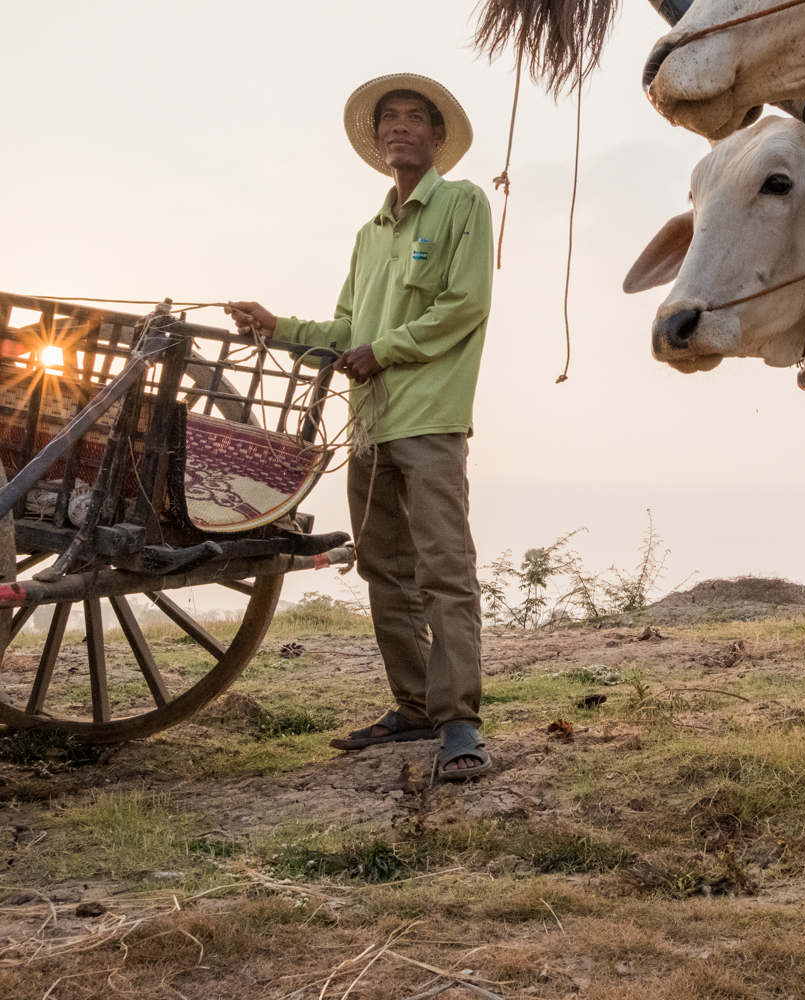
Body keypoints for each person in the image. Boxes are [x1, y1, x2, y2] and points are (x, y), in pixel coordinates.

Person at [227, 73, 493, 779]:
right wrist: (276, 326)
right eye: (389, 120)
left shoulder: (463, 204)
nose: (400, 127)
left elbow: (464, 305)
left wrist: (387, 350)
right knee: (384, 568)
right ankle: (412, 706)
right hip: (370, 422)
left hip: (430, 416)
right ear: (378, 143)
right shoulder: (368, 234)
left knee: (445, 569)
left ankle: (460, 721)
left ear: (437, 138)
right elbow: (346, 328)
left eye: (415, 118)